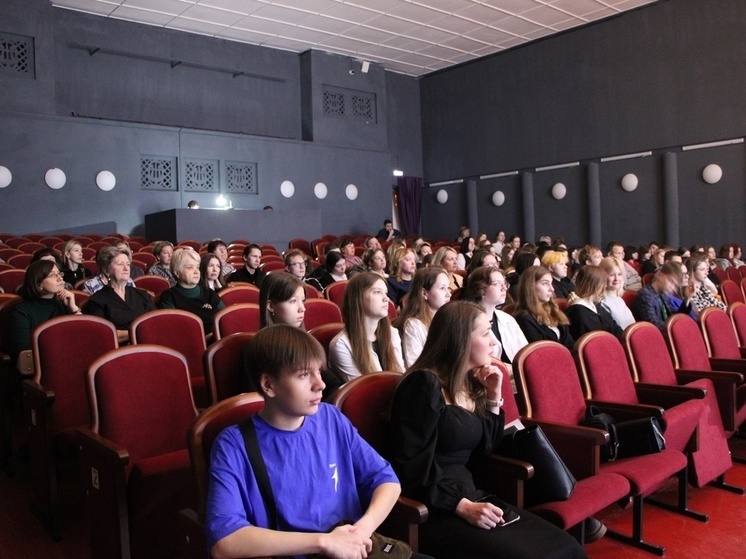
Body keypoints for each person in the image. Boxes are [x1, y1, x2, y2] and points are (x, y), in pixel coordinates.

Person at [389, 301, 587, 559]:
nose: (494, 341)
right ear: (459, 340)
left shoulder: (469, 381)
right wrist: (461, 506)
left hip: (473, 497)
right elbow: (411, 467)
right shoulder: (423, 384)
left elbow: (486, 448)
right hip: (434, 508)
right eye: (485, 334)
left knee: (567, 547)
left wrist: (493, 396)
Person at [205, 325, 403, 559]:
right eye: (303, 375)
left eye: (319, 372)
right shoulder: (234, 444)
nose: (320, 384)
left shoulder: (331, 418)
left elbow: (386, 480)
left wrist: (361, 531)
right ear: (268, 385)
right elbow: (225, 541)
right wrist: (324, 543)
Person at [258, 272, 343, 399]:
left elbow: (333, 383)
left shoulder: (306, 340)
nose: (302, 308)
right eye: (292, 301)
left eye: (302, 301)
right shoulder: (261, 349)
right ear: (271, 306)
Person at [328, 272, 404, 382]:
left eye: (386, 293)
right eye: (377, 292)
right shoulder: (342, 344)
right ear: (358, 298)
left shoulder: (393, 333)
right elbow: (362, 391)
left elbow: (401, 375)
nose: (386, 298)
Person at [7, 260, 82, 371]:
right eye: (52, 275)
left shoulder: (63, 304)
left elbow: (82, 338)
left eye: (59, 273)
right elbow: (25, 354)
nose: (60, 278)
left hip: (68, 365)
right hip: (41, 370)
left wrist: (74, 308)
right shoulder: (21, 311)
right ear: (38, 284)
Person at [85, 246, 156, 343]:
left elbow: (157, 322)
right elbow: (104, 334)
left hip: (149, 344)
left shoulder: (142, 294)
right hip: (119, 351)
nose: (126, 268)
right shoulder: (97, 300)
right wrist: (139, 332)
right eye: (120, 264)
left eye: (128, 264)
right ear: (106, 270)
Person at [464, 266, 528, 368]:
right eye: (497, 284)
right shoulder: (468, 321)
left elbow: (525, 352)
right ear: (481, 290)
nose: (504, 288)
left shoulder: (508, 319)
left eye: (504, 283)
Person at [392, 266, 451, 367]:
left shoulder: (449, 319)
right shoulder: (413, 325)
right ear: (424, 293)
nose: (448, 294)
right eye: (442, 288)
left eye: (448, 288)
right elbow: (415, 366)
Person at [159, 248, 224, 334]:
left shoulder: (210, 293)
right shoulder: (169, 297)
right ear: (177, 273)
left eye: (197, 267)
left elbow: (226, 319)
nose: (196, 272)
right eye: (190, 268)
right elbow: (173, 329)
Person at [513, 266, 574, 348]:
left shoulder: (553, 309)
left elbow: (570, 343)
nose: (552, 289)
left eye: (551, 283)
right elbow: (540, 351)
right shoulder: (524, 318)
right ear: (530, 287)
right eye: (545, 283)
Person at [632, 262, 695, 331]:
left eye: (675, 285)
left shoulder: (662, 294)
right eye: (671, 282)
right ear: (661, 276)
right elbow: (653, 325)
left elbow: (674, 316)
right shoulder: (645, 296)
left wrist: (687, 298)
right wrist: (676, 328)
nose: (673, 288)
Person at [564, 266, 623, 340]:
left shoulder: (596, 305)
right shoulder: (579, 312)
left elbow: (614, 327)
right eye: (603, 283)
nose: (605, 286)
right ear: (594, 285)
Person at [598, 257, 636, 330]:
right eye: (612, 275)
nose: (616, 279)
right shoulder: (601, 302)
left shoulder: (618, 298)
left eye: (619, 274)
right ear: (602, 276)